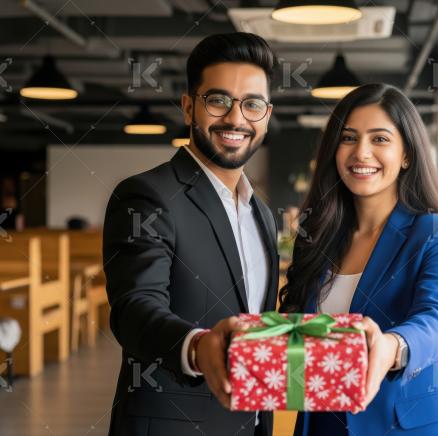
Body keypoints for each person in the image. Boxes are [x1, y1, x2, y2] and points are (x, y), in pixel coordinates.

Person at [103, 32, 279, 436]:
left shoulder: (263, 215)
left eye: (252, 105)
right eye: (218, 101)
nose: (236, 119)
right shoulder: (147, 195)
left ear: (266, 115)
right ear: (188, 107)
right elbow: (134, 309)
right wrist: (199, 346)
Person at [279, 83, 438, 435]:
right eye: (349, 138)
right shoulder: (316, 239)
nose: (361, 153)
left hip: (407, 428)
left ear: (407, 155)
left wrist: (391, 345)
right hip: (324, 424)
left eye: (380, 139)